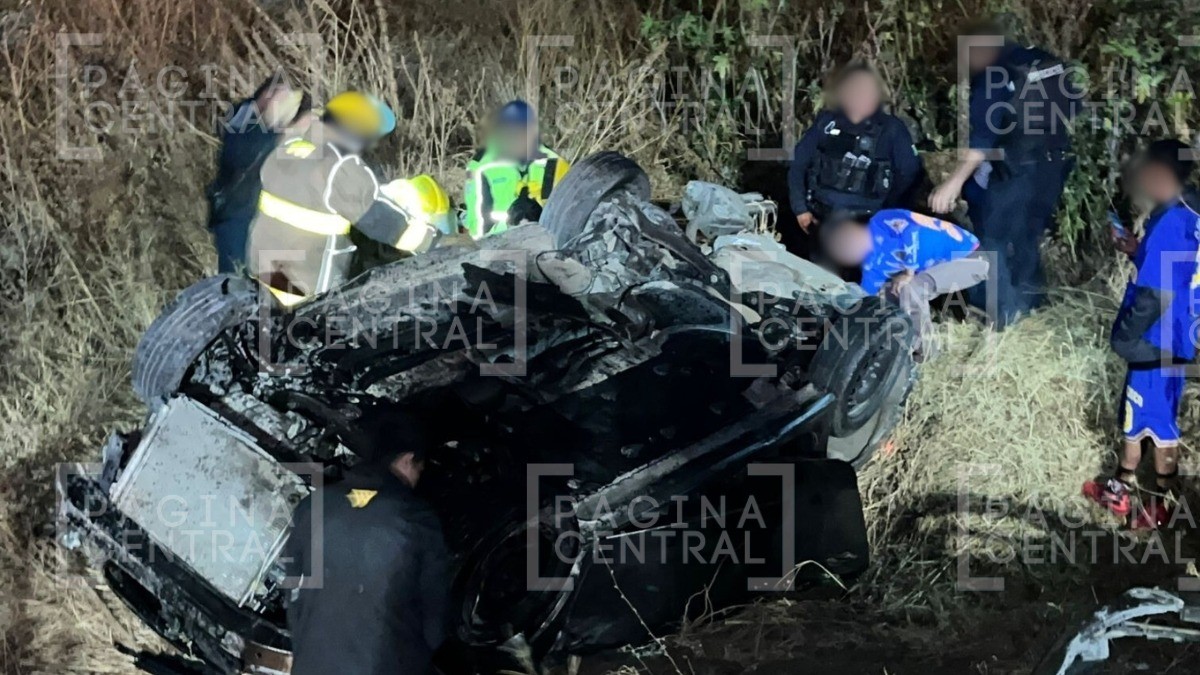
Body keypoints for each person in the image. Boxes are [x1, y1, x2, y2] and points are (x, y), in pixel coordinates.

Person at [928, 19, 1081, 327]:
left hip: (1016, 171)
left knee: (989, 242)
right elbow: (1075, 106)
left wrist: (953, 183)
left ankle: (1004, 320)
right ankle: (1033, 309)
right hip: (1053, 168)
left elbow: (982, 140)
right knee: (1027, 236)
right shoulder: (1043, 60)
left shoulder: (995, 76)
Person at [1084, 139, 1200, 529]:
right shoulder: (1189, 210)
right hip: (1181, 331)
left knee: (1145, 419)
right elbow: (1177, 270)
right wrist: (1137, 251)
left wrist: (1126, 337)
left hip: (1157, 334)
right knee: (1160, 412)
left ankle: (1141, 497)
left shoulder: (1170, 221)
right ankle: (1151, 496)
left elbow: (1158, 291)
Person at [284, 409, 450, 675]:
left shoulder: (312, 506)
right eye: (420, 467)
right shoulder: (416, 519)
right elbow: (435, 626)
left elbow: (293, 597)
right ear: (407, 459)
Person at [247, 91, 438, 306]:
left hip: (262, 275)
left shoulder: (287, 149)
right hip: (306, 290)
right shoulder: (338, 165)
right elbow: (386, 224)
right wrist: (436, 241)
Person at [787, 63, 924, 258]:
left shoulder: (892, 129)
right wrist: (800, 208)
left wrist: (888, 214)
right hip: (823, 220)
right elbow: (798, 163)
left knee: (864, 282)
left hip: (869, 224)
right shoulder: (827, 122)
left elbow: (910, 174)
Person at [823, 209, 989, 358]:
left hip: (970, 256)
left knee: (912, 289)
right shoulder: (870, 265)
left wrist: (908, 272)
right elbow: (868, 297)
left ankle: (928, 355)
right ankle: (903, 343)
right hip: (941, 267)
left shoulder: (881, 221)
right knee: (887, 294)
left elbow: (911, 231)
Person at [207, 74, 310, 273]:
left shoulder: (267, 126)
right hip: (237, 216)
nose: (286, 110)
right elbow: (245, 154)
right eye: (284, 100)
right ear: (268, 96)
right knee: (237, 276)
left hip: (260, 218)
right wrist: (284, 133)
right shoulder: (240, 118)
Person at [463, 100, 570, 239]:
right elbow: (476, 224)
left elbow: (568, 216)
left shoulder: (554, 162)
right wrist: (509, 225)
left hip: (543, 245)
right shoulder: (481, 166)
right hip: (498, 247)